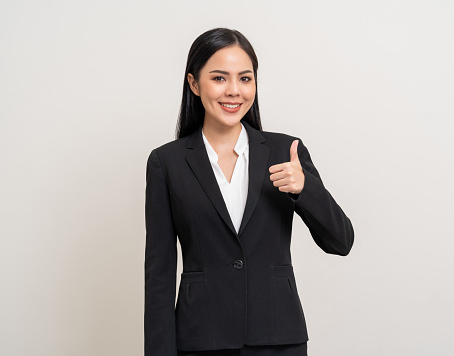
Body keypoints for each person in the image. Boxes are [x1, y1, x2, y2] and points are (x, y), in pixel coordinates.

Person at [144, 28, 354, 356]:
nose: (234, 91)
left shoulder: (286, 151)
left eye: (245, 79)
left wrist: (304, 190)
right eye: (219, 78)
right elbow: (158, 274)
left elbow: (341, 241)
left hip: (279, 338)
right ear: (194, 83)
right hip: (201, 338)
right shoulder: (166, 163)